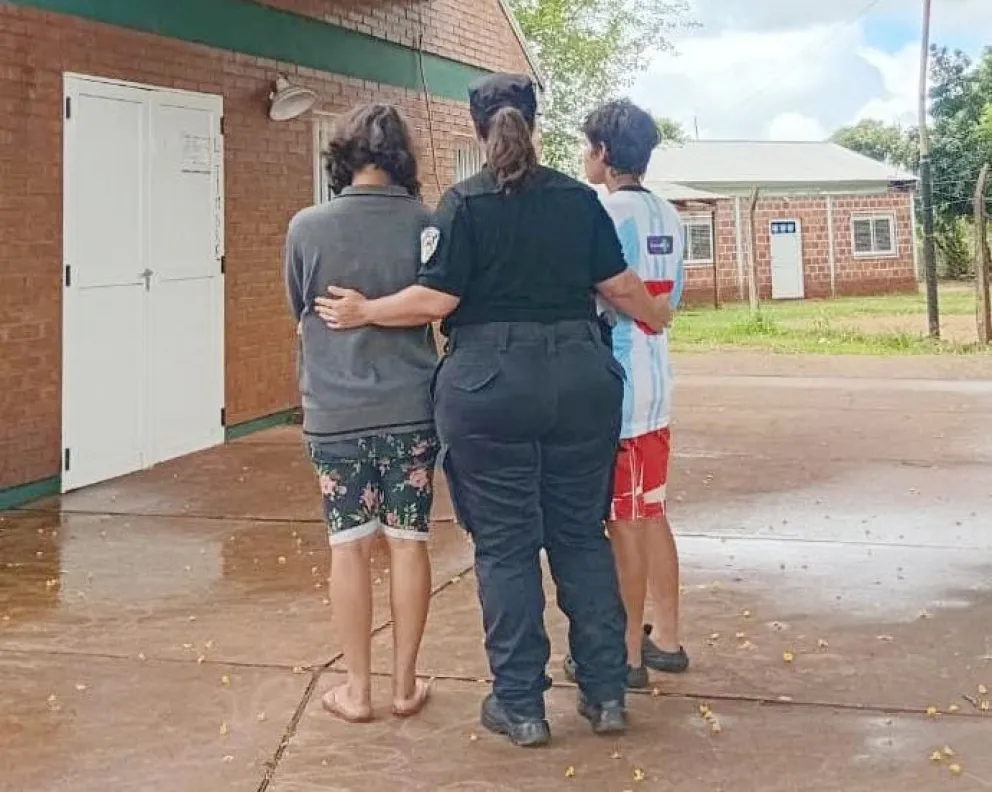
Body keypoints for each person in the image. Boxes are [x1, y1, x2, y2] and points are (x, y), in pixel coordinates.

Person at [314, 73, 671, 747]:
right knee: (579, 536)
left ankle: (521, 705)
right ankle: (605, 695)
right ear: (533, 123)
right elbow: (620, 286)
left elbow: (436, 301)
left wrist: (365, 310)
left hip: (490, 388)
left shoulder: (464, 203)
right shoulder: (576, 198)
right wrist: (657, 313)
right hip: (580, 380)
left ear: (479, 129)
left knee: (506, 547)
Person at [284, 103, 440, 724]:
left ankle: (357, 690)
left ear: (342, 156)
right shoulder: (426, 224)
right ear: (401, 156)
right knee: (409, 542)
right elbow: (439, 304)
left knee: (347, 547)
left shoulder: (307, 227)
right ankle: (404, 686)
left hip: (334, 412)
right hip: (411, 409)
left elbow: (298, 307)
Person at [565, 98, 689, 691]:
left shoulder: (604, 214)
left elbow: (601, 292)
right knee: (651, 511)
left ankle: (626, 656)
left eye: (586, 146)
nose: (583, 156)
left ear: (603, 153)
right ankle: (667, 636)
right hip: (658, 383)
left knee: (625, 523)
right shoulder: (669, 214)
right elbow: (668, 304)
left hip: (619, 389)